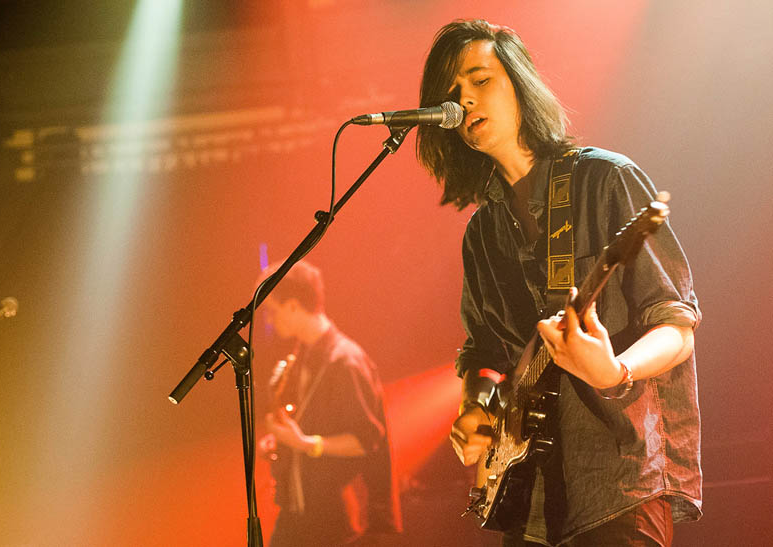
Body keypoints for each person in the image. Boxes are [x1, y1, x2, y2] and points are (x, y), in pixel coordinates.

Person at [416, 20, 702, 546]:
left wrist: (615, 369)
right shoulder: (482, 234)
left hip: (615, 483)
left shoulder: (608, 180)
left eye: (480, 80)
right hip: (529, 503)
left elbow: (677, 326)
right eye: (453, 93)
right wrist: (475, 408)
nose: (465, 100)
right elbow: (483, 352)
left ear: (520, 82)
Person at [257, 259, 401, 546]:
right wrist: (283, 441)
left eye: (272, 311)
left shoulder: (345, 361)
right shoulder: (303, 356)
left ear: (294, 306)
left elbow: (366, 440)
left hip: (335, 520)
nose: (269, 321)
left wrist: (306, 444)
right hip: (299, 513)